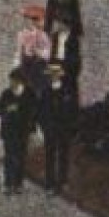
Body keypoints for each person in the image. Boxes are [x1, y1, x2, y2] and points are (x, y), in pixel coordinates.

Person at [0, 69, 36, 195]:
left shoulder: (29, 94)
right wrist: (8, 109)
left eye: (14, 81)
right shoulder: (6, 94)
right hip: (9, 131)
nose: (12, 83)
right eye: (11, 81)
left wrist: (30, 124)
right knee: (9, 157)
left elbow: (33, 111)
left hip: (22, 131)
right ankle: (8, 184)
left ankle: (18, 183)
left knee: (21, 157)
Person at [39, 64, 77, 193]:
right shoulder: (46, 92)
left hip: (63, 128)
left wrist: (71, 125)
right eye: (51, 75)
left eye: (56, 74)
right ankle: (50, 183)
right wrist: (44, 127)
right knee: (50, 156)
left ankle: (63, 180)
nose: (54, 77)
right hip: (50, 129)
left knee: (63, 155)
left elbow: (72, 110)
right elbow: (41, 111)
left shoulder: (68, 91)